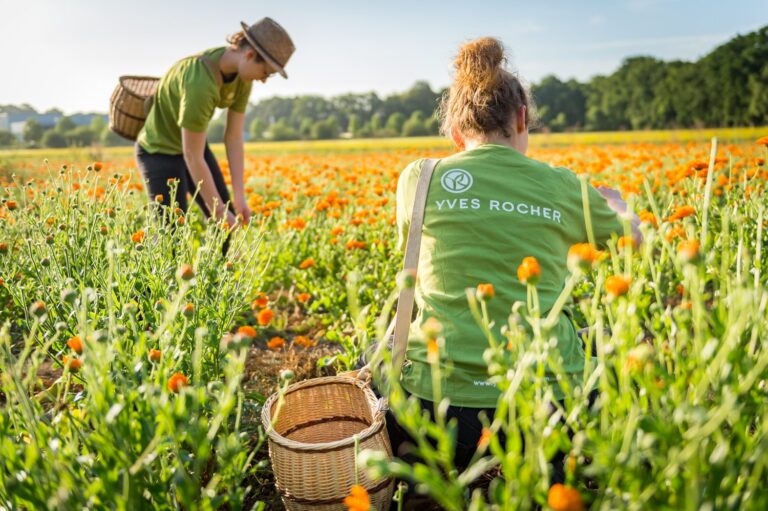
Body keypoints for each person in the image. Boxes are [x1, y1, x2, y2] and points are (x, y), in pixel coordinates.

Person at [387, 37, 641, 506]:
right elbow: (634, 241)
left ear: (455, 132)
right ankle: (556, 476)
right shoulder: (563, 185)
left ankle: (433, 480)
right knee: (619, 345)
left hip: (437, 405)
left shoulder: (417, 178)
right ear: (522, 118)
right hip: (540, 405)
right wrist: (617, 206)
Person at [135, 17, 295, 230]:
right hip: (158, 151)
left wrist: (239, 198)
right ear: (249, 55)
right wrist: (218, 210)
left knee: (228, 224)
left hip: (194, 149)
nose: (264, 79)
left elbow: (234, 136)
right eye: (266, 72)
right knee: (170, 232)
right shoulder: (199, 82)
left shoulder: (242, 76)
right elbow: (192, 155)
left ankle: (226, 262)